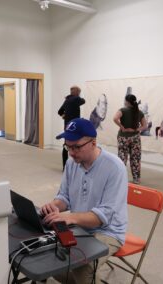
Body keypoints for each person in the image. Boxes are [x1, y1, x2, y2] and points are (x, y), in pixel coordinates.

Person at [41, 118, 128, 284]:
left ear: (93, 142)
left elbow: (102, 217)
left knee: (83, 264)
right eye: (68, 146)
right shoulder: (72, 163)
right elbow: (64, 196)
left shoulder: (114, 168)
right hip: (79, 226)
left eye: (76, 147)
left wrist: (69, 218)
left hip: (108, 231)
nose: (72, 152)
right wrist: (54, 206)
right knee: (48, 256)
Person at [113, 94, 147, 184]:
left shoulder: (123, 110)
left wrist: (122, 127)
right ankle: (136, 179)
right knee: (135, 158)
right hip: (135, 137)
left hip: (123, 137)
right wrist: (136, 129)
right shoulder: (139, 112)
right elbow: (145, 126)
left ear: (127, 101)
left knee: (122, 158)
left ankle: (120, 178)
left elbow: (115, 118)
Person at [57, 86, 85, 170]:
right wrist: (78, 96)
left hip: (67, 126)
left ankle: (64, 167)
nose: (80, 94)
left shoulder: (67, 100)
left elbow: (60, 111)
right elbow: (83, 101)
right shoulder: (77, 99)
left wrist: (64, 116)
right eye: (79, 92)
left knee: (66, 146)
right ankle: (75, 166)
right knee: (77, 145)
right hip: (75, 126)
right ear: (77, 92)